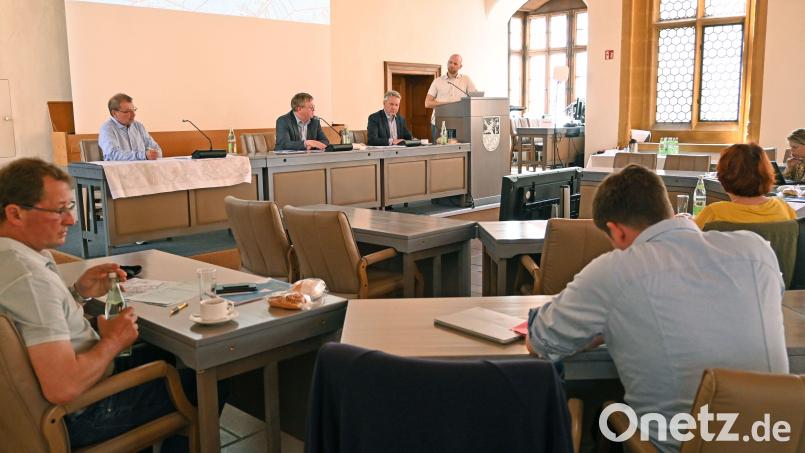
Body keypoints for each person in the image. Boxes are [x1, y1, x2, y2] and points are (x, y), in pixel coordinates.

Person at [527, 165, 788, 453]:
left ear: (616, 232)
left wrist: (609, 327)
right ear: (666, 208)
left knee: (605, 415)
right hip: (776, 440)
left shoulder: (617, 270)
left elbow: (540, 341)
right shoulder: (756, 251)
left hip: (678, 447)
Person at [0, 158, 196, 449]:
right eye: (59, 210)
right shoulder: (30, 278)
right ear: (15, 213)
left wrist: (78, 293)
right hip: (80, 414)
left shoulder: (14, 260)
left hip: (26, 412)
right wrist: (113, 341)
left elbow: (37, 318)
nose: (72, 221)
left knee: (163, 352)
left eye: (70, 207)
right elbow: (63, 386)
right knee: (200, 380)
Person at [694, 143, 796, 228]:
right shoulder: (784, 208)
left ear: (723, 175)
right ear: (767, 173)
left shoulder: (715, 213)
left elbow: (690, 243)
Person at [425, 54, 477, 139]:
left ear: (460, 66)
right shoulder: (437, 81)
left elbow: (475, 99)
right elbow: (427, 103)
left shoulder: (466, 79)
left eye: (455, 63)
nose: (452, 65)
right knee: (439, 151)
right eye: (450, 62)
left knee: (458, 151)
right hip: (439, 124)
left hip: (459, 123)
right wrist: (448, 104)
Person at [98, 93, 162, 161]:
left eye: (133, 110)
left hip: (143, 168)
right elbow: (113, 154)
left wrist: (154, 154)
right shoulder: (107, 129)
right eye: (127, 111)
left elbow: (156, 149)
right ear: (114, 113)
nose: (134, 114)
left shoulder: (138, 126)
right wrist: (143, 155)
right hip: (117, 170)